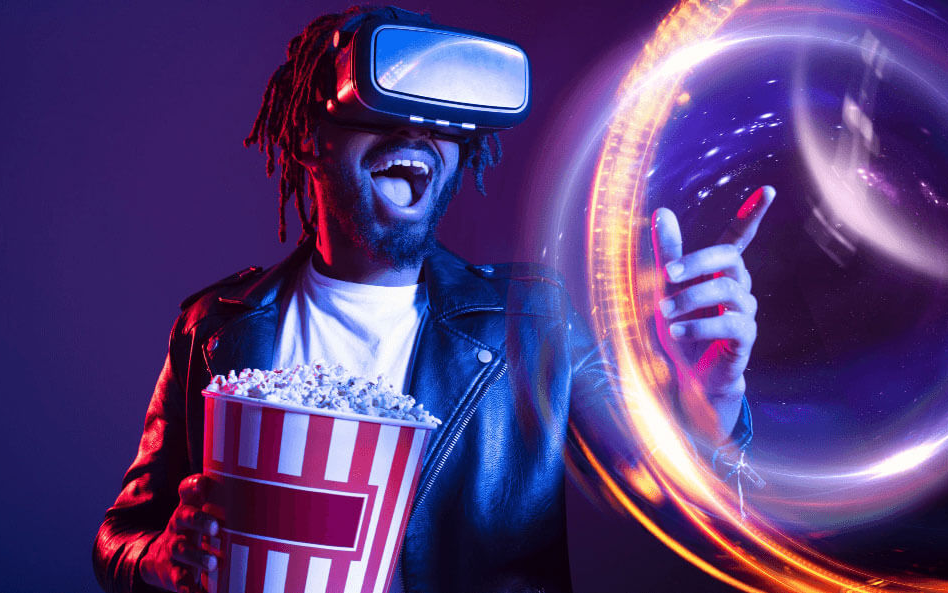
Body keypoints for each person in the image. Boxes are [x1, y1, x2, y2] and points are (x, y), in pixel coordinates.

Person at [93, 6, 771, 593]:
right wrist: (161, 557)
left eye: (444, 109)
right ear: (309, 137)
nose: (414, 127)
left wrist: (708, 392)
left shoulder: (530, 324)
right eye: (382, 102)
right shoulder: (213, 329)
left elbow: (671, 503)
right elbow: (122, 536)